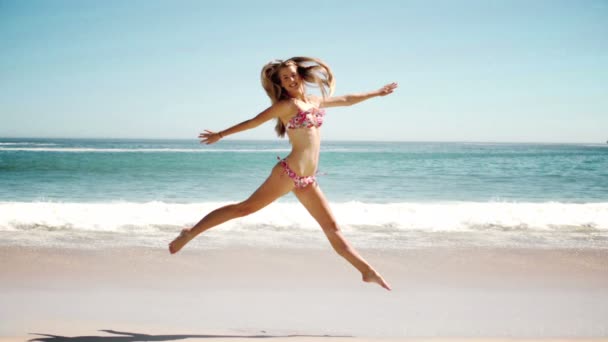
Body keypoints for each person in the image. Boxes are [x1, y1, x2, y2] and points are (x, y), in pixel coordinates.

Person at [169, 57, 397, 291]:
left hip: (307, 180)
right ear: (280, 84)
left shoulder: (315, 101)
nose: (290, 80)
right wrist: (220, 134)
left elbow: (347, 100)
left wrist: (377, 93)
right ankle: (190, 232)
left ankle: (366, 271)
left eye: (292, 74)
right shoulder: (286, 106)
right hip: (288, 172)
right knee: (244, 208)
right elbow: (252, 122)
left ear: (300, 74)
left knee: (332, 228)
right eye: (285, 78)